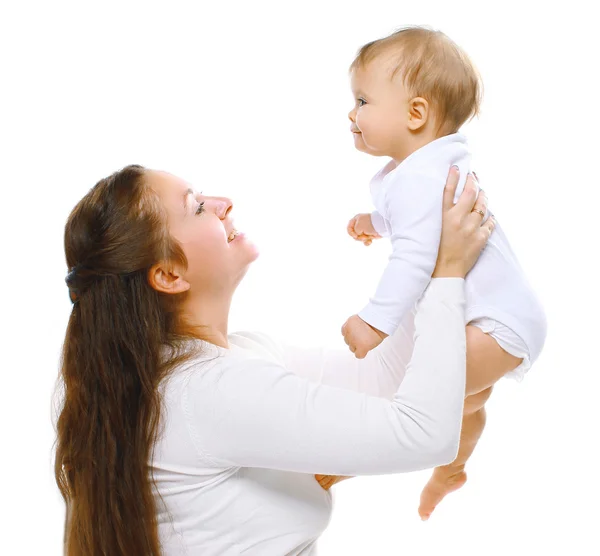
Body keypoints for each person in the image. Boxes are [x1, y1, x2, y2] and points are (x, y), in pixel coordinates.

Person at [54, 163, 493, 555]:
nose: (223, 204)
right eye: (198, 207)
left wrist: (424, 250)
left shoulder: (225, 362)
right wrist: (446, 272)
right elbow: (425, 435)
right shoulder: (207, 391)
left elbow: (382, 380)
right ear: (169, 275)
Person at [340, 26, 547, 519]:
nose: (352, 113)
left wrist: (374, 321)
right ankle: (451, 469)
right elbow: (422, 226)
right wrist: (375, 221)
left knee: (414, 396)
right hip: (504, 320)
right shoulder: (425, 169)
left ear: (416, 114)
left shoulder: (420, 176)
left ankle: (338, 465)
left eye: (363, 100)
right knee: (464, 405)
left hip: (494, 325)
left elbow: (413, 258)